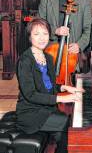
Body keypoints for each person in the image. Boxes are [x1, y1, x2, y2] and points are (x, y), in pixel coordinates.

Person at [16, 18, 84, 153]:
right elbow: (31, 95)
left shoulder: (48, 58)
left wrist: (64, 88)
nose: (42, 38)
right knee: (66, 123)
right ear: (29, 37)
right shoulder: (25, 60)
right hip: (30, 113)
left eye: (45, 33)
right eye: (36, 34)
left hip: (47, 108)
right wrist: (61, 98)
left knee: (63, 131)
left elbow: (48, 86)